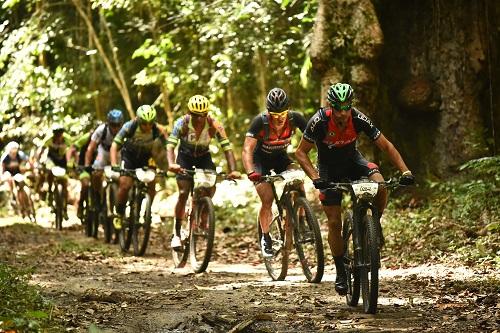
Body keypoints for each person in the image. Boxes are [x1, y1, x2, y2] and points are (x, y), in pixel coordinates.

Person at [295, 82, 415, 295]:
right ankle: (341, 270)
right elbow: (300, 153)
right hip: (328, 170)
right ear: (331, 106)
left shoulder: (358, 118)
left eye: (346, 107)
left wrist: (406, 172)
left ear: (351, 105)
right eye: (338, 108)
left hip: (353, 162)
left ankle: (373, 225)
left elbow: (386, 146)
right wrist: (315, 178)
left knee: (379, 183)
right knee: (334, 221)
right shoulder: (319, 121)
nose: (342, 113)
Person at [167, 95, 240, 250]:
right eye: (195, 115)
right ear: (189, 113)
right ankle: (177, 233)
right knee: (183, 192)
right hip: (184, 157)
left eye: (203, 115)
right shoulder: (182, 123)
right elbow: (170, 146)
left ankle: (204, 216)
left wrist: (233, 170)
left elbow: (227, 149)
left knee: (210, 187)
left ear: (207, 114)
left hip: (203, 157)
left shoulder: (214, 125)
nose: (199, 119)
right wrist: (171, 164)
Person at [242, 87, 308, 257]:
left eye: (282, 114)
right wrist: (250, 172)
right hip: (259, 162)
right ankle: (266, 238)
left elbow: (314, 136)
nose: (279, 118)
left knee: (299, 181)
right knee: (267, 198)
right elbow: (247, 150)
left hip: (280, 158)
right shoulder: (260, 122)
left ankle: (302, 222)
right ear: (268, 111)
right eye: (275, 115)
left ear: (288, 110)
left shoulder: (295, 118)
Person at [110, 105, 168, 230]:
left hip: (146, 157)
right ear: (138, 120)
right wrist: (114, 164)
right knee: (125, 185)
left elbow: (168, 148)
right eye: (144, 123)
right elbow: (115, 145)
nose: (147, 126)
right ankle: (119, 214)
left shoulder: (158, 130)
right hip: (129, 157)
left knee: (152, 182)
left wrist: (170, 166)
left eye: (150, 123)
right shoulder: (129, 127)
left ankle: (147, 211)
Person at [84, 109, 124, 211]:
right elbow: (90, 148)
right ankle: (97, 196)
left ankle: (120, 204)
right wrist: (87, 165)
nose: (115, 128)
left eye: (118, 125)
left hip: (118, 154)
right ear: (108, 123)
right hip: (104, 152)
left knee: (123, 179)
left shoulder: (125, 131)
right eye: (112, 125)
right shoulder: (101, 130)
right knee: (96, 174)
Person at [36, 124, 73, 220]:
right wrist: (38, 162)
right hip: (51, 159)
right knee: (49, 172)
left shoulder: (67, 139)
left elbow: (72, 150)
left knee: (64, 183)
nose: (58, 137)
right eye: (56, 134)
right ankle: (50, 193)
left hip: (63, 160)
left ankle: (64, 208)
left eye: (60, 134)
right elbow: (41, 150)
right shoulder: (49, 139)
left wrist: (72, 163)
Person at [1, 141, 29, 208]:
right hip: (8, 174)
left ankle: (26, 198)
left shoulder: (20, 155)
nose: (14, 154)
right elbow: (2, 167)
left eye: (15, 152)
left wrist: (25, 166)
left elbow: (27, 160)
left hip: (17, 173)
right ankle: (13, 197)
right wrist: (2, 176)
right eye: (12, 152)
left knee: (22, 181)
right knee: (9, 179)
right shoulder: (5, 157)